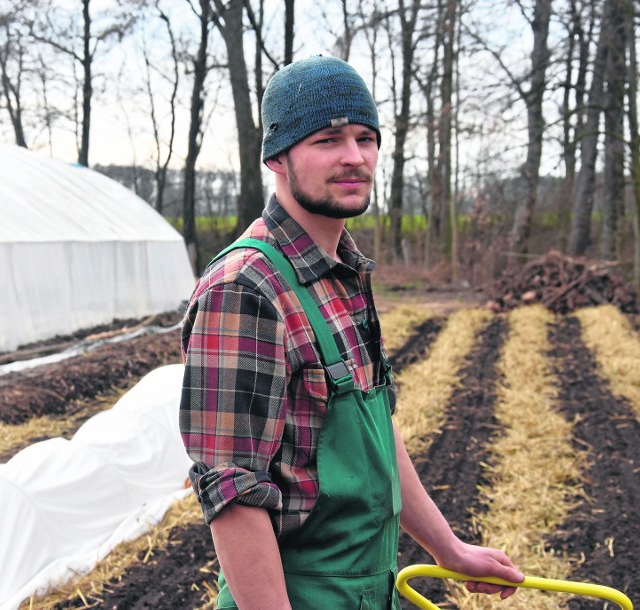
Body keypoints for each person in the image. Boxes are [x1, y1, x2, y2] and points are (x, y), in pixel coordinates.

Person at [180, 55, 523, 609]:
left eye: (366, 138)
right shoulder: (244, 289)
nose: (354, 157)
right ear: (277, 157)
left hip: (369, 591)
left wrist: (449, 550)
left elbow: (377, 437)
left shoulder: (344, 271)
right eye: (328, 139)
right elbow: (233, 496)